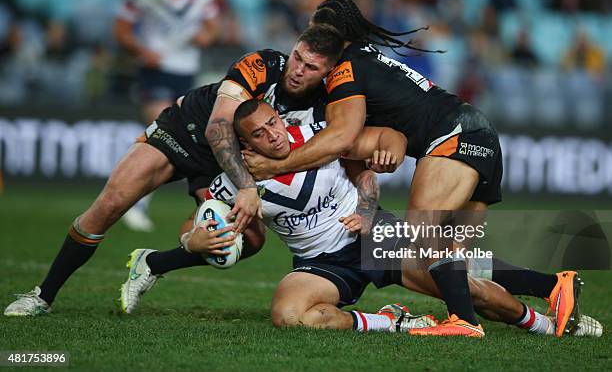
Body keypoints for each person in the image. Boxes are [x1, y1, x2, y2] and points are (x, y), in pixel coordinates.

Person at [241, 0, 581, 337]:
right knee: (457, 262)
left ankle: (464, 322)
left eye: (318, 26)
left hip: (453, 136)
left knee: (424, 237)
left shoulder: (345, 68)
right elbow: (361, 139)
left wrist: (274, 166)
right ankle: (552, 286)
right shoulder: (366, 58)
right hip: (477, 134)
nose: (313, 33)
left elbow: (341, 137)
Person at [122, 100, 603, 337]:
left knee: (468, 284)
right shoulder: (235, 184)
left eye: (275, 120)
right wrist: (194, 244)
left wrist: (369, 204)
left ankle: (547, 320)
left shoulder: (316, 131)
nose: (276, 133)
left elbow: (385, 140)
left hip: (372, 233)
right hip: (320, 263)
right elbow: (196, 224)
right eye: (262, 132)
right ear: (244, 146)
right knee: (288, 315)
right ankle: (387, 321)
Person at [3, 24, 344, 317]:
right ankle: (42, 296)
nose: (298, 70)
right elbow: (216, 129)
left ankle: (153, 263)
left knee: (246, 240)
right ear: (293, 48)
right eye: (298, 57)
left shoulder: (323, 103)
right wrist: (247, 187)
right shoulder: (263, 63)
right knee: (112, 202)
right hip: (187, 131)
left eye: (311, 67)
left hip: (224, 160)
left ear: (327, 72)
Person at [114, 0, 220, 231]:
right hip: (156, 68)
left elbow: (213, 28)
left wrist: (206, 36)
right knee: (159, 126)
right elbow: (121, 29)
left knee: (184, 136)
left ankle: (205, 203)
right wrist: (142, 51)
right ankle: (134, 200)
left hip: (186, 70)